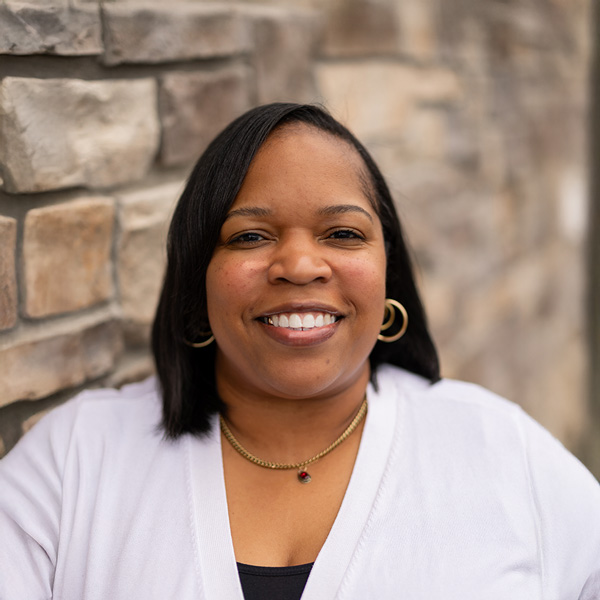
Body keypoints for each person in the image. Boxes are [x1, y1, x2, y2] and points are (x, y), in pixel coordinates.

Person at [1, 103, 599, 600]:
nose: (300, 266)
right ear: (198, 281)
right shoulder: (75, 459)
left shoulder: (501, 452)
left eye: (342, 233)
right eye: (251, 236)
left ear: (386, 272)